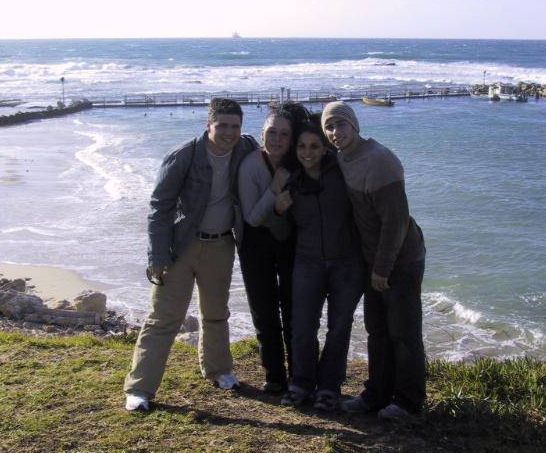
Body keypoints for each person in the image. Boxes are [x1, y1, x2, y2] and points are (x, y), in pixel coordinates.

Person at [124, 98, 258, 411]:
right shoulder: (184, 155)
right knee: (164, 318)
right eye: (222, 126)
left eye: (235, 126)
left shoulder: (245, 148)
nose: (229, 133)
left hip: (221, 245)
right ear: (208, 125)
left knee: (216, 312)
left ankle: (219, 370)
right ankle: (139, 388)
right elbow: (159, 206)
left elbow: (274, 149)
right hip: (180, 248)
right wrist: (157, 256)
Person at [321, 101, 427, 421]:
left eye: (341, 124)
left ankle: (408, 402)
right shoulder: (342, 157)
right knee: (377, 330)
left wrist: (383, 267)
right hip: (372, 257)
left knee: (403, 332)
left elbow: (396, 221)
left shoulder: (379, 160)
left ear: (355, 125)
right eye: (329, 127)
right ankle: (377, 394)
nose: (335, 132)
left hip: (400, 258)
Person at [273, 122, 365, 411]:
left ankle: (329, 388)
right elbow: (282, 233)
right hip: (307, 262)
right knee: (302, 327)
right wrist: (278, 210)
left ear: (325, 148)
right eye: (302, 146)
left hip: (346, 263)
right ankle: (301, 384)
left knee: (339, 328)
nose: (307, 152)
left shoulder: (342, 173)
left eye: (314, 146)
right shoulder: (292, 182)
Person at [236, 107, 301, 393]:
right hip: (255, 242)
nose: (277, 139)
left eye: (284, 134)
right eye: (271, 132)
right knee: (264, 311)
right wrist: (274, 191)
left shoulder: (298, 161)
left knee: (294, 310)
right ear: (262, 134)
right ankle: (274, 375)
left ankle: (300, 374)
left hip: (289, 241)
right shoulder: (250, 165)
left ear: (292, 138)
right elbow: (252, 218)